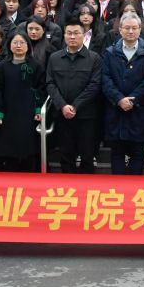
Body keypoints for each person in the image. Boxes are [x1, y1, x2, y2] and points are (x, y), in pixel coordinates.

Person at [101, 13, 144, 175]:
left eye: (134, 28)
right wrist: (119, 99)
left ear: (140, 30)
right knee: (117, 152)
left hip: (139, 109)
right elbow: (105, 78)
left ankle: (134, 188)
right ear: (120, 30)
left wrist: (133, 99)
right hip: (116, 109)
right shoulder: (110, 52)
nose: (131, 31)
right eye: (127, 28)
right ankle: (118, 188)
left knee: (137, 152)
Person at [46, 21, 103, 174]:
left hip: (86, 116)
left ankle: (86, 187)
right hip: (62, 114)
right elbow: (50, 83)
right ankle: (67, 186)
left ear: (84, 36)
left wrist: (76, 105)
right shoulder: (54, 58)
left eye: (76, 33)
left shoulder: (94, 58)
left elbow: (95, 85)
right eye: (69, 33)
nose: (72, 37)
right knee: (66, 155)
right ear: (64, 35)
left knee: (87, 155)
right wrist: (63, 105)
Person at [0, 30, 46, 172]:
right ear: (9, 45)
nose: (18, 45)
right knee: (9, 150)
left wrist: (38, 110)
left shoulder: (36, 66)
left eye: (22, 42)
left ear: (28, 46)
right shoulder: (2, 66)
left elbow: (41, 89)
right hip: (8, 113)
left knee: (29, 149)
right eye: (15, 42)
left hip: (29, 113)